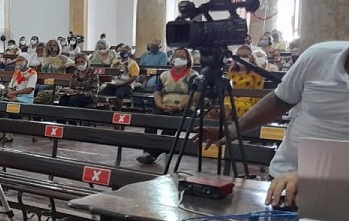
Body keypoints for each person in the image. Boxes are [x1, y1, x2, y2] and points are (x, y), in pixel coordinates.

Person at [197, 41, 349, 207]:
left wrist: (313, 175)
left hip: (340, 186)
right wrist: (233, 129)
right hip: (284, 177)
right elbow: (280, 100)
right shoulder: (318, 56)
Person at [137, 49, 199, 164]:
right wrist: (160, 105)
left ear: (188, 60)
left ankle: (154, 153)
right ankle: (147, 150)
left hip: (184, 108)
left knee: (169, 124)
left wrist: (179, 106)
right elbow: (158, 92)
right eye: (177, 56)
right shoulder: (164, 75)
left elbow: (193, 95)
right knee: (151, 121)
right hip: (164, 105)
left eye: (183, 57)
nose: (179, 58)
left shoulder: (193, 76)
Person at [225, 46, 264, 116]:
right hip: (230, 100)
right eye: (238, 56)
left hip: (247, 102)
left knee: (229, 109)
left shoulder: (256, 73)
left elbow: (258, 94)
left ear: (251, 58)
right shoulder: (232, 72)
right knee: (221, 109)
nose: (241, 58)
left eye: (244, 56)